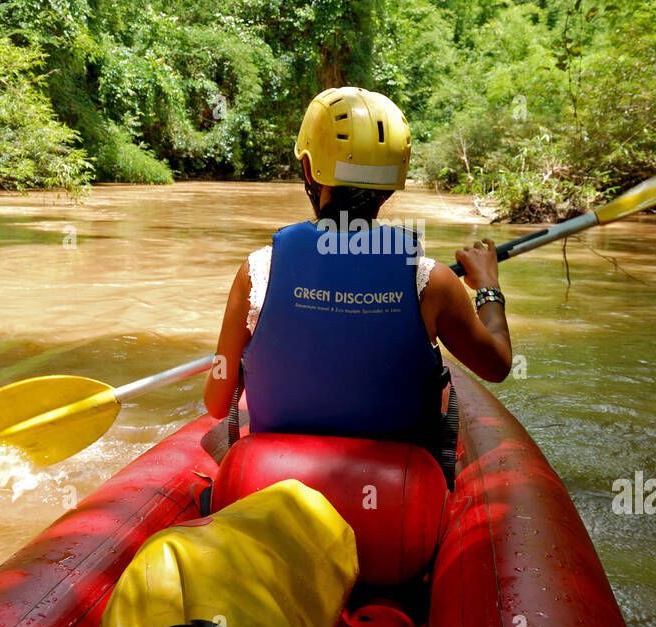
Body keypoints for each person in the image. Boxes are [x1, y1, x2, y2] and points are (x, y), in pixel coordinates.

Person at [204, 86, 512, 465]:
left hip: (275, 478)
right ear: (393, 181)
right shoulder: (432, 281)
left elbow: (218, 403)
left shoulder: (257, 271)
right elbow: (497, 365)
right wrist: (488, 290)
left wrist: (236, 361)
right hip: (396, 497)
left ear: (308, 168)